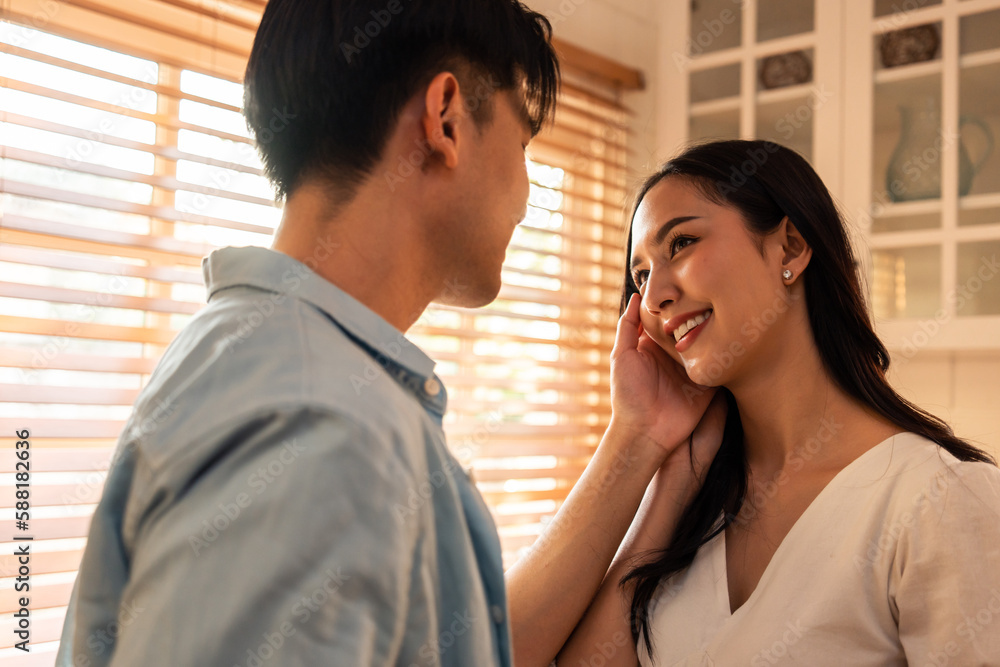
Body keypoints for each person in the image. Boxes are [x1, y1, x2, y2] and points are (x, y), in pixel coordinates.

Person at [55, 2, 723, 665]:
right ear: (446, 118)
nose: (524, 194)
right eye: (522, 146)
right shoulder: (321, 428)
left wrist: (638, 437)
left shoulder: (249, 359)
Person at [555, 139, 1000, 666]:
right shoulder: (692, 501)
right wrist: (658, 453)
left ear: (789, 248)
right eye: (641, 276)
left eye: (681, 244)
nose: (653, 299)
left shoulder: (941, 499)